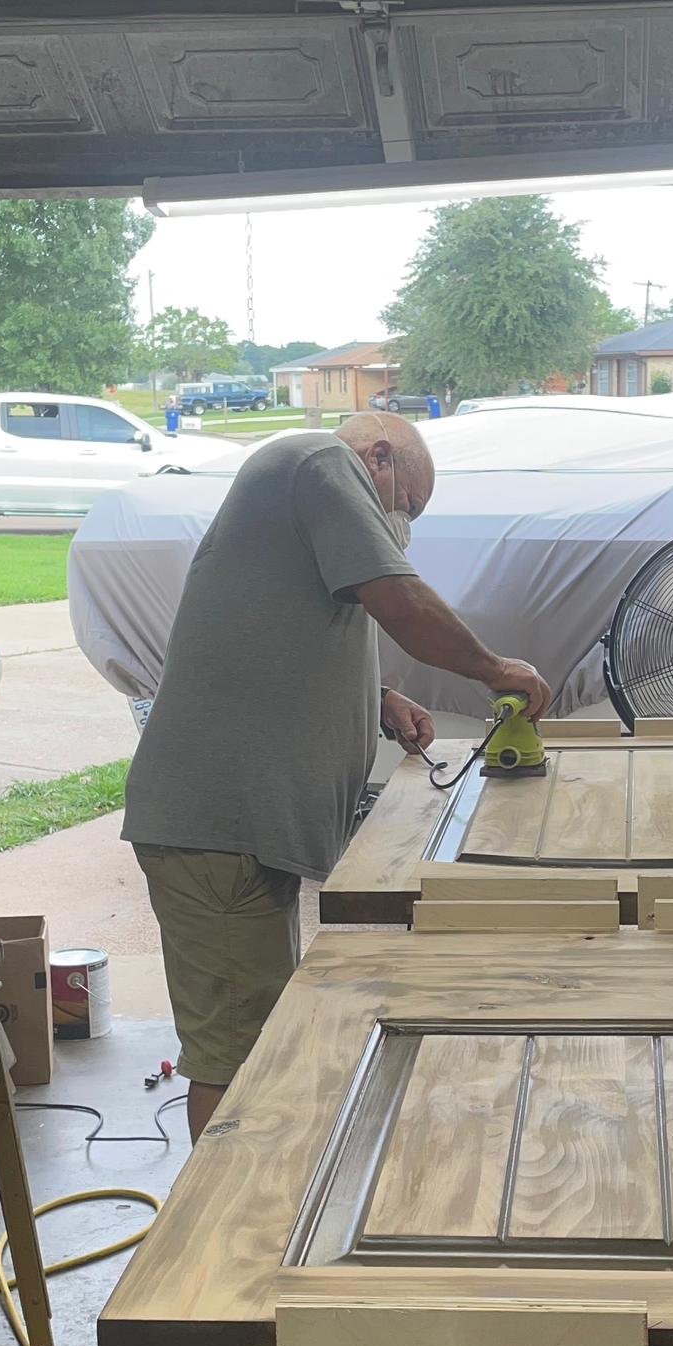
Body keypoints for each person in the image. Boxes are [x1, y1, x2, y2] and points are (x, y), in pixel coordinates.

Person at [123, 413, 550, 1139]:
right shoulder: (320, 462)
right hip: (217, 827)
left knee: (253, 1038)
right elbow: (398, 600)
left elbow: (270, 625)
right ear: (379, 458)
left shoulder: (295, 487)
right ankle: (222, 1239)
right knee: (239, 1059)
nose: (400, 526)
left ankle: (250, 1215)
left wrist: (375, 699)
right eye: (404, 508)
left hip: (242, 830)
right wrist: (494, 668)